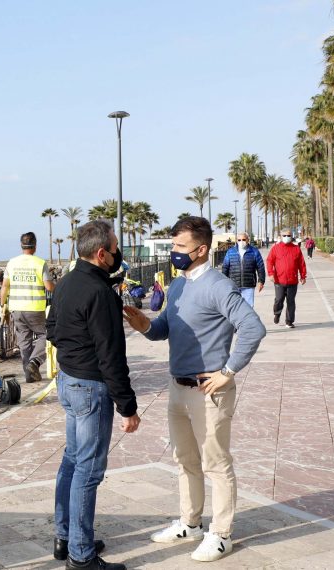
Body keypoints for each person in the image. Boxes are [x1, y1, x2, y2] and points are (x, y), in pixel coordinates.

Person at [122, 216, 265, 563]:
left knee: (216, 463)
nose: (174, 253)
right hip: (177, 387)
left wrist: (228, 372)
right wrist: (143, 325)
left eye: (180, 247)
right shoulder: (179, 285)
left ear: (201, 250)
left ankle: (222, 533)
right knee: (185, 460)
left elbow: (253, 328)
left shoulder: (218, 286)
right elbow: (163, 330)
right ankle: (190, 523)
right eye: (172, 246)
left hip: (208, 389)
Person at [47, 220, 139, 570]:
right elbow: (111, 356)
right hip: (89, 388)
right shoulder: (100, 293)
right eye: (116, 248)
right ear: (102, 253)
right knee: (88, 470)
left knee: (72, 460)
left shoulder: (68, 282)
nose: (119, 253)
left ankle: (66, 537)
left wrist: (73, 353)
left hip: (68, 380)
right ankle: (81, 556)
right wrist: (127, 406)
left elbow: (53, 330)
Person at [1, 233, 55, 383]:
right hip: (35, 308)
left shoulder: (12, 263)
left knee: (24, 342)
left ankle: (29, 375)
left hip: (16, 308)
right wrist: (61, 292)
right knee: (47, 335)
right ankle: (35, 362)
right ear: (35, 246)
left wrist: (2, 305)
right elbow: (49, 286)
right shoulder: (40, 263)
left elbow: (5, 286)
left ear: (21, 245)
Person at [266, 228, 307, 328]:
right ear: (280, 236)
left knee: (290, 301)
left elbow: (301, 263)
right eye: (284, 235)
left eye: (288, 235)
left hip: (292, 280)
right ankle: (277, 314)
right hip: (279, 280)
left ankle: (289, 321)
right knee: (279, 299)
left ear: (291, 236)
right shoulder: (275, 248)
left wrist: (303, 276)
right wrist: (271, 273)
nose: (286, 237)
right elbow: (269, 261)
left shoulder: (296, 248)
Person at [220, 232, 266, 307]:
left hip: (249, 286)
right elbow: (225, 267)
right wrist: (224, 282)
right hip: (234, 285)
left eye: (244, 239)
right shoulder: (230, 252)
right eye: (239, 240)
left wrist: (261, 281)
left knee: (248, 308)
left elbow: (260, 267)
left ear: (248, 240)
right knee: (234, 307)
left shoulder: (254, 251)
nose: (241, 242)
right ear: (236, 241)